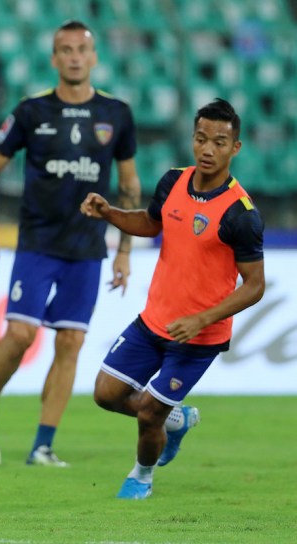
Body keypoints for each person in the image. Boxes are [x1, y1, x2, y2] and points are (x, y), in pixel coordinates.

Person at [0, 20, 141, 466]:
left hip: (87, 250)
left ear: (94, 56)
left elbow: (129, 187)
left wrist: (124, 249)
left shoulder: (117, 114)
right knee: (22, 333)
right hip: (38, 243)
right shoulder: (31, 112)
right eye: (64, 49)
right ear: (53, 58)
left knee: (70, 344)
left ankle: (43, 445)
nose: (73, 57)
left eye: (81, 49)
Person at [80, 98, 265, 499]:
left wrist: (202, 319)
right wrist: (109, 212)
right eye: (201, 139)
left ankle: (141, 476)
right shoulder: (172, 181)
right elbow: (150, 223)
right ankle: (176, 419)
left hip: (198, 339)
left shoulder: (241, 214)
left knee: (148, 413)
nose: (207, 149)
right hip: (154, 321)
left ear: (236, 148)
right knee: (105, 394)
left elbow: (254, 286)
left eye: (219, 141)